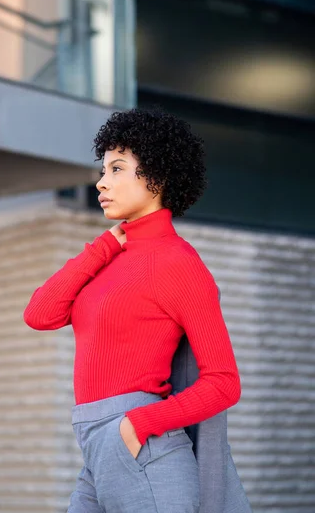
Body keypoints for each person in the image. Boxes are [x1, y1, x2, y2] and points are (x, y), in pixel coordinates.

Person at [23, 107, 241, 513]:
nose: (102, 183)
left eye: (117, 168)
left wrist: (139, 424)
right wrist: (103, 246)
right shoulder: (111, 256)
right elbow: (40, 314)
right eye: (103, 170)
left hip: (144, 452)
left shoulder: (177, 262)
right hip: (98, 450)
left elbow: (224, 382)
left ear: (156, 176)